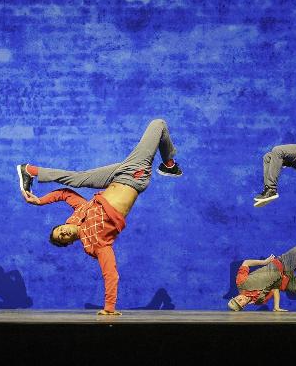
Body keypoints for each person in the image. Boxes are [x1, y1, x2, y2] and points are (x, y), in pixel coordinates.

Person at [16, 119, 182, 316]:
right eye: (62, 236)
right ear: (69, 241)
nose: (63, 232)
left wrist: (40, 201)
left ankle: (30, 170)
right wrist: (109, 308)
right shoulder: (95, 243)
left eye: (60, 229)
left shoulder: (78, 213)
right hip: (134, 177)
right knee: (158, 124)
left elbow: (64, 193)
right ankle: (169, 165)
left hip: (115, 175)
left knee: (77, 178)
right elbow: (110, 273)